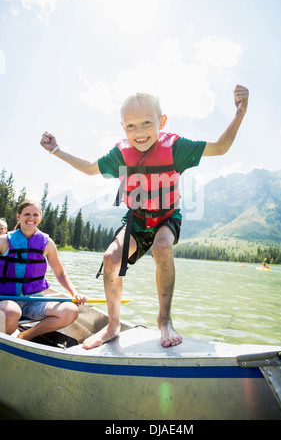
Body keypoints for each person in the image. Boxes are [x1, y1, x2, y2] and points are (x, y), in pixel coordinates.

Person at [40, 84, 249, 349]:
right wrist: (56, 150)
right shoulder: (121, 153)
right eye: (131, 126)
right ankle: (113, 325)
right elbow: (90, 169)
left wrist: (239, 114)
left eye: (147, 123)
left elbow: (220, 148)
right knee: (109, 259)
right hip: (137, 220)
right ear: (123, 127)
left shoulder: (176, 148)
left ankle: (164, 320)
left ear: (162, 121)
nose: (139, 133)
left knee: (163, 249)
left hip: (166, 218)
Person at [0, 200, 86, 340]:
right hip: (5, 299)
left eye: (35, 214)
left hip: (34, 300)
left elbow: (60, 272)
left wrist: (74, 293)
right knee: (11, 313)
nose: (31, 218)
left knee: (70, 311)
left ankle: (24, 337)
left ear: (40, 217)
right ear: (18, 216)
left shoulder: (47, 243)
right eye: (27, 214)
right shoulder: (3, 241)